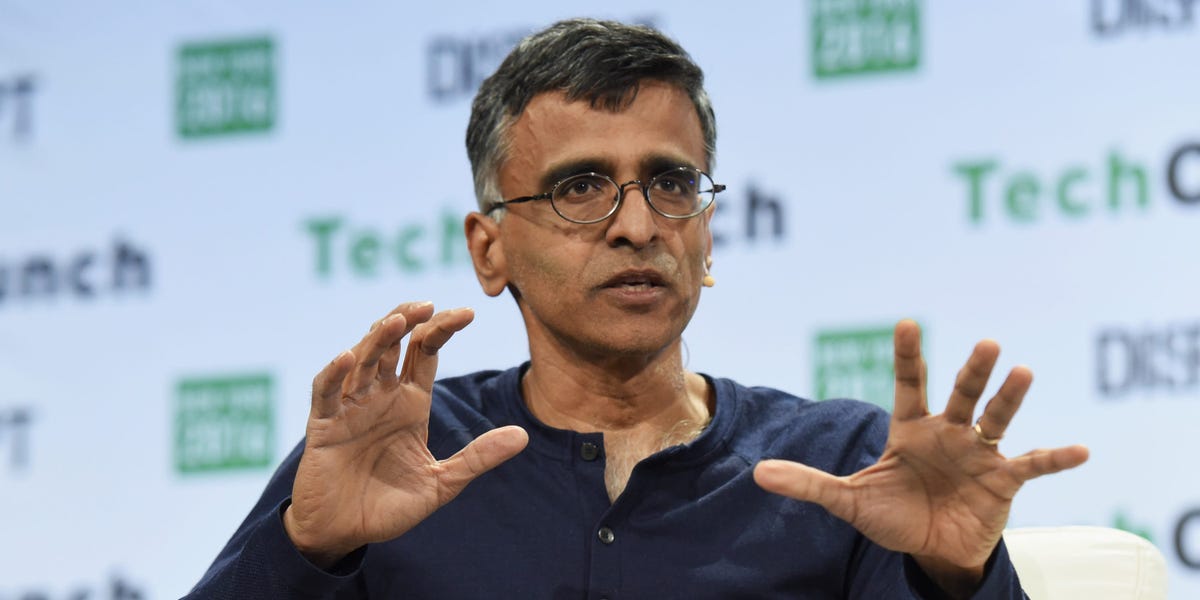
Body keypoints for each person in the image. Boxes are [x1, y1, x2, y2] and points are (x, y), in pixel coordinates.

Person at [186, 18, 1088, 599]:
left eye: (671, 183)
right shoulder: (402, 450)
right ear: (489, 249)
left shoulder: (841, 468)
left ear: (707, 234)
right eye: (580, 186)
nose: (637, 225)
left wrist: (958, 575)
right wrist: (304, 550)